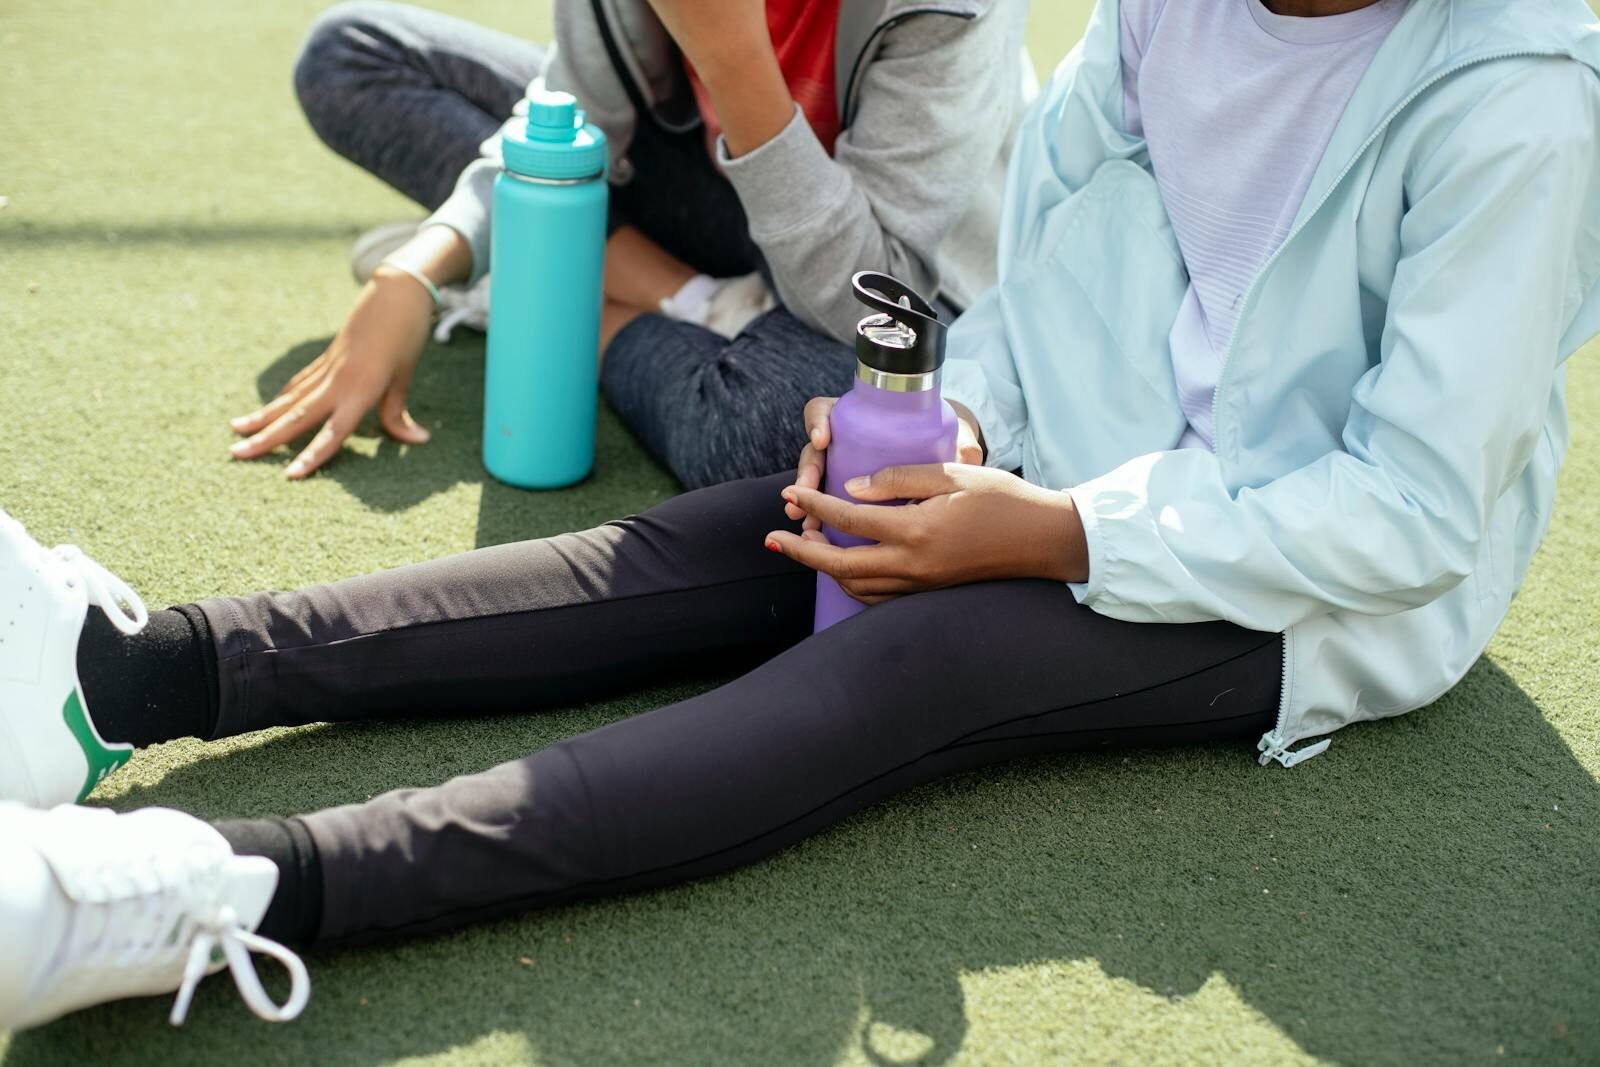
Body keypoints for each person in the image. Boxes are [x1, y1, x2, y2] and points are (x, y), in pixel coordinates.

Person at [4, 0, 1598, 1032]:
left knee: (907, 666)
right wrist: (951, 424)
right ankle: (131, 668)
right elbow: (1041, 294)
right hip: (1055, 464)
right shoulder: (1163, 11)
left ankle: (232, 880)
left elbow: (1409, 510)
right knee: (750, 527)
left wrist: (1053, 535)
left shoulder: (1518, 103)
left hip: (1301, 582)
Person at [226, 0, 1031, 488]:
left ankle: (533, 286)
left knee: (790, 430)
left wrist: (734, 61)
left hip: (881, 274)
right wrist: (420, 266)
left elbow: (874, 299)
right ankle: (682, 295)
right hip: (705, 194)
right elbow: (565, 121)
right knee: (351, 55)